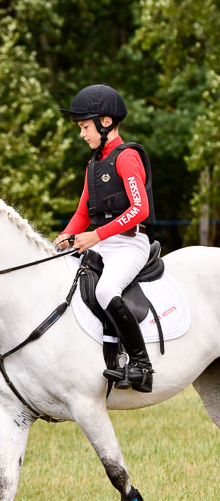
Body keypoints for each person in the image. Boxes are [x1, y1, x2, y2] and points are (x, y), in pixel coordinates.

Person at [55, 84, 156, 393]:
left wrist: (94, 236)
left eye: (85, 127)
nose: (82, 134)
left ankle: (141, 366)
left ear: (106, 122)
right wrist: (65, 236)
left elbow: (140, 209)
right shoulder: (93, 165)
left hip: (129, 243)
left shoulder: (126, 157)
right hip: (101, 242)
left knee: (106, 289)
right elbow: (82, 213)